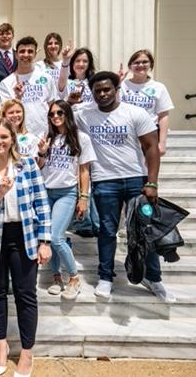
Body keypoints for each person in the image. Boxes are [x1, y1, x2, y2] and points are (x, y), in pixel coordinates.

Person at [75, 71, 174, 302]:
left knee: (143, 231)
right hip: (104, 181)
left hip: (135, 180)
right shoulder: (85, 114)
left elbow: (151, 147)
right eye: (97, 90)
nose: (102, 94)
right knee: (107, 231)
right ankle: (106, 277)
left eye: (107, 89)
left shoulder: (135, 113)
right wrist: (70, 101)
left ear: (116, 89)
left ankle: (153, 277)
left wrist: (151, 182)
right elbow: (59, 115)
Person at [0, 118, 52, 377]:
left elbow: (42, 203)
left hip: (25, 236)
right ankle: (1, 344)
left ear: (12, 138)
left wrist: (45, 241)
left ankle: (26, 351)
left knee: (26, 294)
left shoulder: (27, 165)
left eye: (3, 137)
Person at [38, 100, 96, 300]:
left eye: (60, 113)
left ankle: (74, 278)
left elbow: (84, 170)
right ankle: (56, 278)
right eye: (52, 114)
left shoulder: (81, 138)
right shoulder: (47, 138)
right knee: (48, 237)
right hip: (46, 192)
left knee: (56, 237)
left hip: (67, 192)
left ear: (68, 114)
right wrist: (42, 152)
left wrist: (84, 197)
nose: (55, 117)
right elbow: (39, 166)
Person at [0, 36, 58, 139]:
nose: (26, 55)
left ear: (35, 54)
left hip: (44, 136)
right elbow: (6, 114)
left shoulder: (46, 78)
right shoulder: (6, 83)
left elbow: (52, 107)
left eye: (30, 51)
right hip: (18, 137)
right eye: (22, 51)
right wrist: (18, 97)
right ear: (16, 55)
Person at [120, 49, 174, 156]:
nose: (141, 65)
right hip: (126, 134)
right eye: (136, 62)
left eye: (145, 62)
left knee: (149, 170)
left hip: (149, 133)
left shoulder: (158, 87)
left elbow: (163, 116)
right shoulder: (122, 85)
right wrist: (117, 82)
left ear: (151, 65)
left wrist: (162, 143)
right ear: (130, 66)